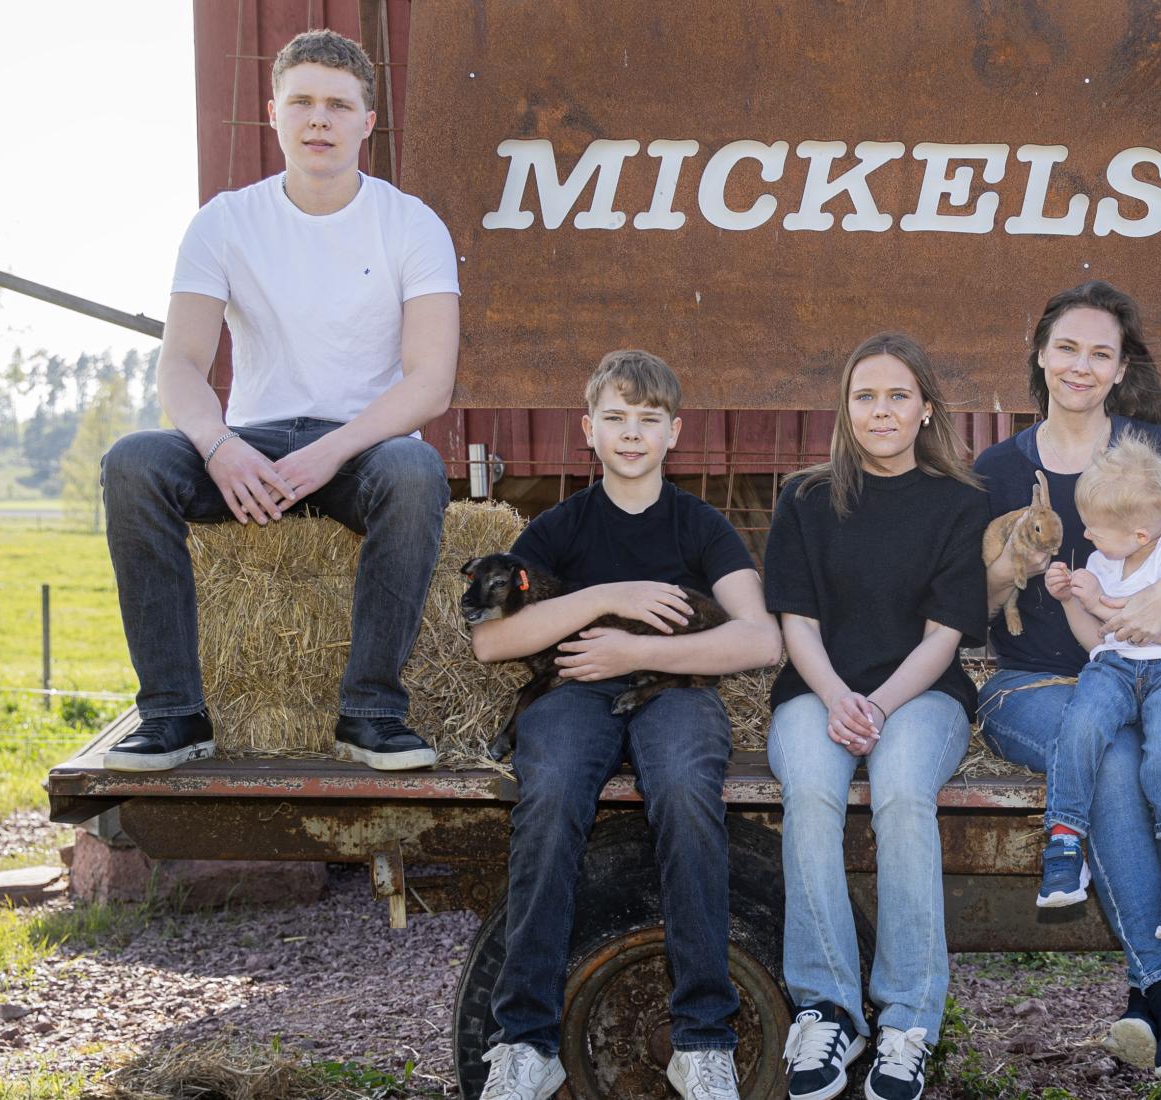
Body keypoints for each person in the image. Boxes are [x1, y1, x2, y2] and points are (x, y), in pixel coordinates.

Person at [98, 28, 457, 773]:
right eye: (302, 102)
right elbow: (182, 366)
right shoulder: (225, 222)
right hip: (253, 448)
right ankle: (172, 716)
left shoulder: (412, 224)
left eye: (338, 104)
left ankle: (371, 716)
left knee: (416, 474)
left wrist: (331, 453)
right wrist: (220, 446)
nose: (319, 119)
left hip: (361, 453)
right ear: (273, 114)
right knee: (132, 462)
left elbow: (429, 381)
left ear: (366, 121)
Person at [974, 281, 1161, 1079]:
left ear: (1119, 368)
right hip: (1031, 687)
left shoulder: (1151, 453)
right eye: (1066, 347)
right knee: (1109, 754)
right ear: (1040, 356)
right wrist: (1011, 570)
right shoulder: (996, 469)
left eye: (1099, 352)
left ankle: (1153, 986)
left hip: (1151, 675)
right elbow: (961, 608)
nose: (1080, 365)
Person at [467, 351, 782, 1100]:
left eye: (648, 420)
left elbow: (761, 637)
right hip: (574, 692)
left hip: (674, 690)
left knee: (683, 791)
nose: (631, 434)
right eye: (616, 418)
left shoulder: (701, 525)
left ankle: (703, 1039)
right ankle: (526, 1041)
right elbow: (491, 639)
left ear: (674, 433)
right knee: (547, 802)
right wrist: (615, 593)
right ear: (589, 430)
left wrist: (636, 647)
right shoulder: (559, 526)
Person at [763, 333, 988, 1100]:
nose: (881, 410)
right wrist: (835, 698)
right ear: (846, 409)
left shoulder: (962, 502)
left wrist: (880, 706)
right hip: (816, 688)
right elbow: (795, 621)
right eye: (866, 396)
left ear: (926, 408)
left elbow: (945, 637)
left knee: (899, 791)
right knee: (813, 793)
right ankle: (827, 1008)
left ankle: (907, 1021)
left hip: (922, 696)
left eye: (898, 395)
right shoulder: (804, 497)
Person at [1034, 434, 1161, 948]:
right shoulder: (1101, 562)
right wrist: (1073, 600)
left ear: (1140, 533)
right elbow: (1096, 642)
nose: (1087, 534)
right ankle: (1064, 844)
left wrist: (1097, 600)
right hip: (1116, 666)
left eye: (1096, 527)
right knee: (1080, 725)